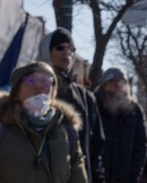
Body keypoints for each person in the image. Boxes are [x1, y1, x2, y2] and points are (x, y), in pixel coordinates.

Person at [0, 61, 87, 183]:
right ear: (16, 93)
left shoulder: (67, 134)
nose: (39, 86)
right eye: (30, 80)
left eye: (46, 81)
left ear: (53, 92)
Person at [41, 27, 107, 183]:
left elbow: (96, 144)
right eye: (60, 48)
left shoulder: (86, 98)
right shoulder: (34, 89)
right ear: (47, 52)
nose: (67, 53)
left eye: (71, 49)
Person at [96, 67, 147, 183]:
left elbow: (141, 145)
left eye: (120, 81)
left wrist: (134, 173)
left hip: (125, 177)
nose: (117, 85)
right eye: (112, 81)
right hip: (97, 174)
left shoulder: (134, 110)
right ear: (104, 84)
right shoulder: (94, 106)